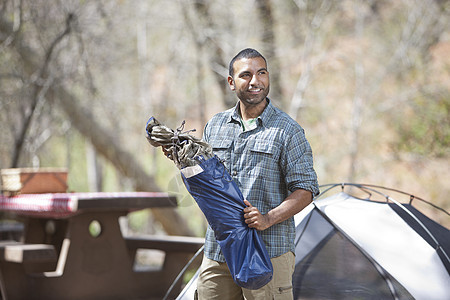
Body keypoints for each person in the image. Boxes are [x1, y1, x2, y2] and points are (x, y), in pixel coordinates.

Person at [197, 48, 319, 300]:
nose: (255, 81)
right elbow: (204, 180)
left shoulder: (287, 131)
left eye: (261, 72)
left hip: (268, 252)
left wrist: (267, 218)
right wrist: (178, 155)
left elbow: (306, 189)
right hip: (218, 252)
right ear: (231, 82)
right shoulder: (215, 126)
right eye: (246, 74)